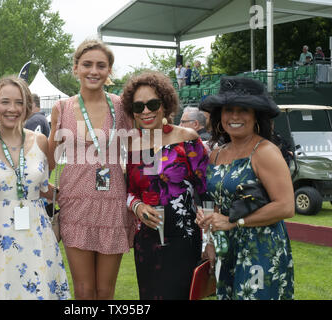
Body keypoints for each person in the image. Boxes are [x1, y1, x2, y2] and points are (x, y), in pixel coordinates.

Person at [48, 38, 135, 300]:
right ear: (75, 68)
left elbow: (135, 154)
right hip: (75, 202)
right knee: (84, 291)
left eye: (101, 65)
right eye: (87, 64)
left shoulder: (121, 106)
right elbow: (49, 159)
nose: (93, 71)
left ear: (109, 72)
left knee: (105, 291)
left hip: (112, 202)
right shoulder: (61, 108)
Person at [197, 76, 295, 300]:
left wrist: (234, 222)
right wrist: (209, 238)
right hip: (226, 249)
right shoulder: (217, 153)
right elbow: (211, 201)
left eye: (244, 110)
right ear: (219, 115)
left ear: (255, 115)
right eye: (228, 109)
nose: (234, 116)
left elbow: (286, 206)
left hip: (261, 251)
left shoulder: (265, 151)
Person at [0, 75, 70, 300]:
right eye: (5, 102)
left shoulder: (40, 141)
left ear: (27, 107)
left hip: (36, 233)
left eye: (19, 102)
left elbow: (41, 186)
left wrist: (75, 197)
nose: (12, 108)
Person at [122, 71, 209, 300]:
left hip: (184, 239)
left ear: (165, 104)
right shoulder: (132, 144)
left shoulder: (186, 138)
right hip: (147, 241)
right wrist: (137, 206)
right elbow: (128, 192)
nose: (146, 111)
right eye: (138, 106)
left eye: (152, 103)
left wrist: (211, 238)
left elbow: (206, 190)